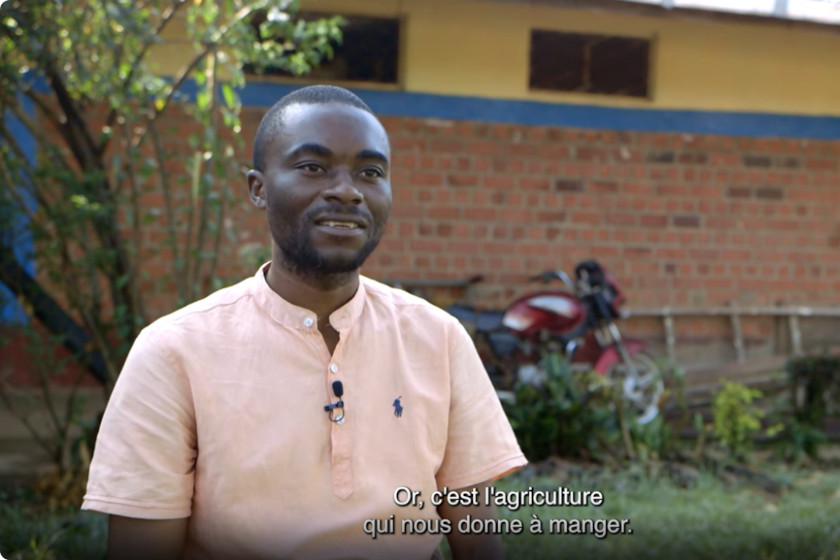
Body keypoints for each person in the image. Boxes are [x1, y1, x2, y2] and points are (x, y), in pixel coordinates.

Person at [82, 85, 527, 560]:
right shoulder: (174, 353)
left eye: (370, 172)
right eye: (313, 167)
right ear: (258, 188)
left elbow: (477, 540)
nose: (347, 190)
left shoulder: (438, 340)